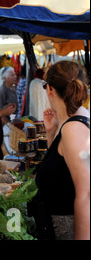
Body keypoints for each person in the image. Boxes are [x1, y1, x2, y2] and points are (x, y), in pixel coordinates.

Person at [31, 60, 90, 240]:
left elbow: (86, 194)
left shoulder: (74, 129)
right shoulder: (71, 123)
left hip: (67, 231)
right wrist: (51, 133)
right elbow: (60, 170)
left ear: (49, 89)